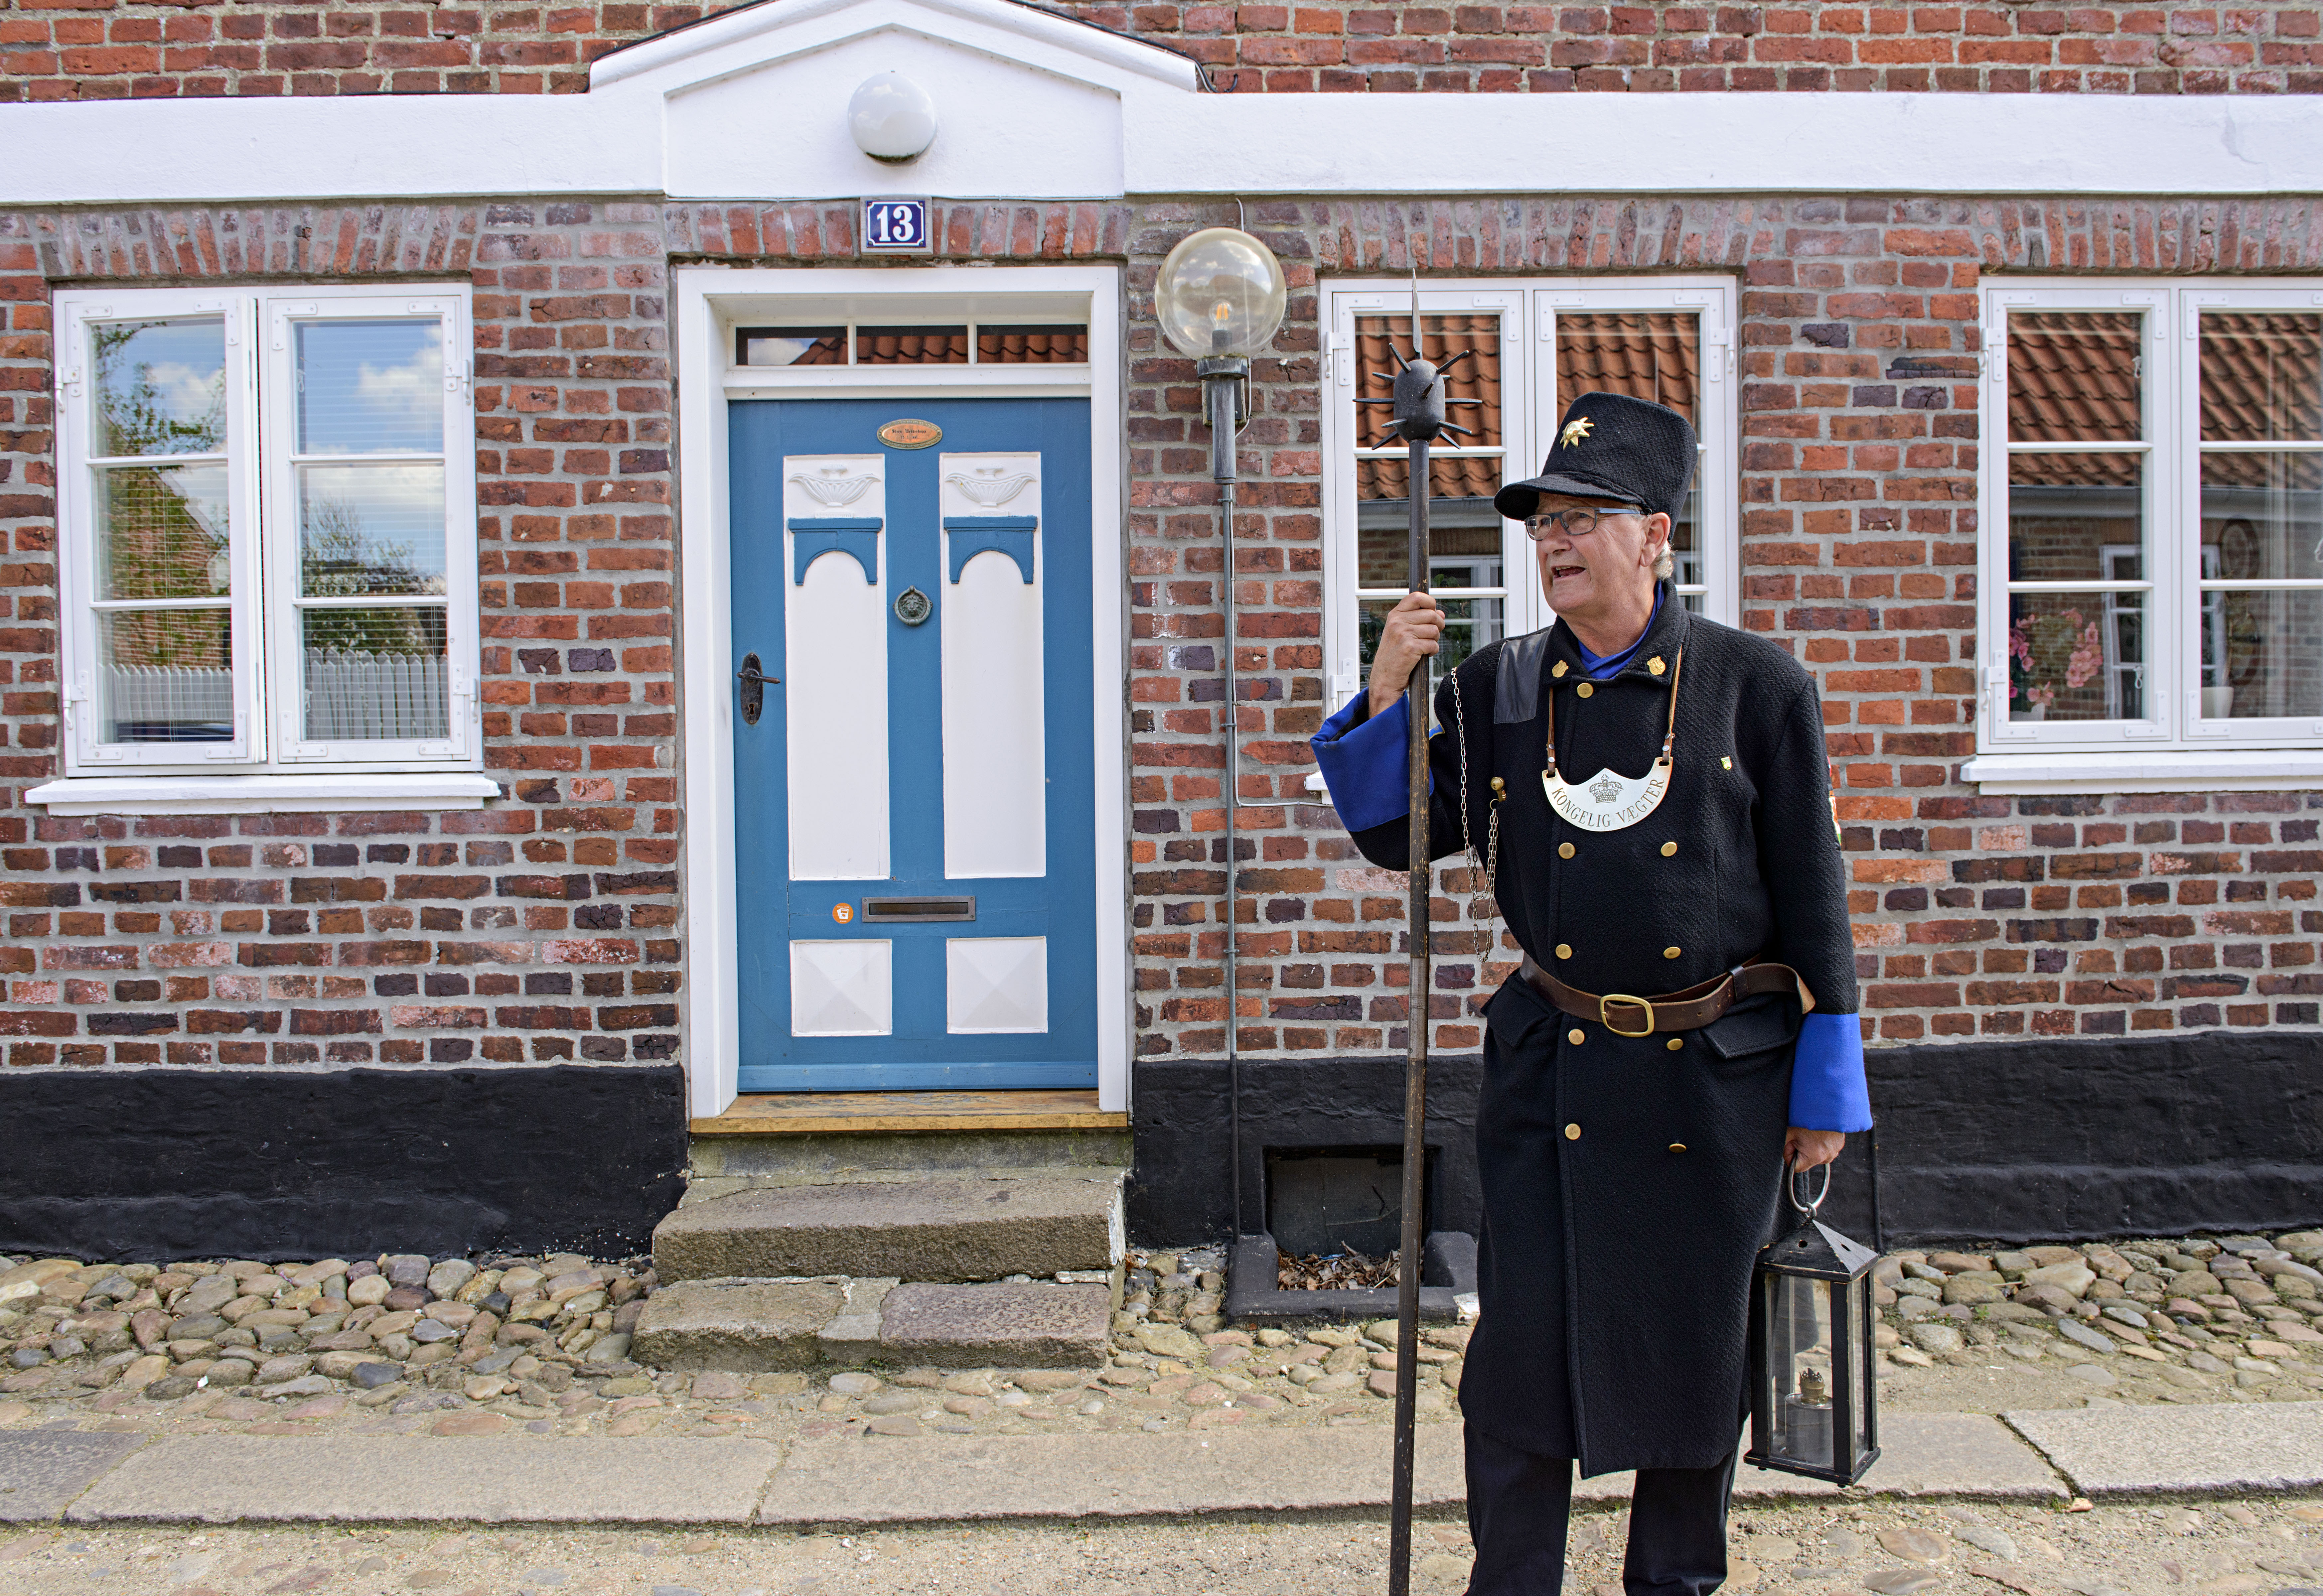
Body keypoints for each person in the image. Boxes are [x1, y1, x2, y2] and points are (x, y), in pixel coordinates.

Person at [1311, 391, 1872, 1596]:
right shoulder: (1499, 687)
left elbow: (1815, 896)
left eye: (1585, 517)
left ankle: (1672, 1584)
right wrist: (1384, 689)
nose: (1556, 541)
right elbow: (1393, 838)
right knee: (1520, 1356)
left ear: (1654, 535)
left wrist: (1826, 1089)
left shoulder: (1752, 686)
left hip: (1713, 1081)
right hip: (1552, 1069)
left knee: (1694, 1353)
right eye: (1541, 522)